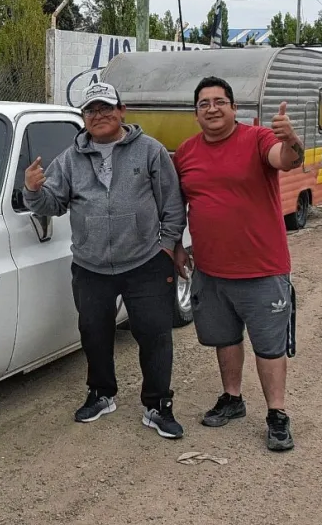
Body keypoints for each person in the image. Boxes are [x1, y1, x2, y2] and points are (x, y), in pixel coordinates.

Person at [22, 81, 187, 439]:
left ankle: (158, 405)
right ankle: (101, 394)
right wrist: (33, 190)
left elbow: (171, 204)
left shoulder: (150, 152)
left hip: (145, 262)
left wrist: (167, 246)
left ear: (121, 111)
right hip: (90, 266)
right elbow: (54, 204)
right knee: (93, 332)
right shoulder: (69, 159)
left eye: (105, 108)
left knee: (154, 335)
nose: (99, 115)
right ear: (84, 118)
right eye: (91, 110)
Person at [171, 75, 304, 452]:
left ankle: (277, 415)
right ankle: (233, 398)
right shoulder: (187, 153)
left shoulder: (258, 139)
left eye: (219, 101)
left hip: (262, 268)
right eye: (204, 103)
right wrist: (180, 247)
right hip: (211, 271)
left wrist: (291, 139)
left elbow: (287, 161)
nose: (212, 108)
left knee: (269, 345)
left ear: (234, 108)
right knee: (225, 339)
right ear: (196, 113)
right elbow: (179, 204)